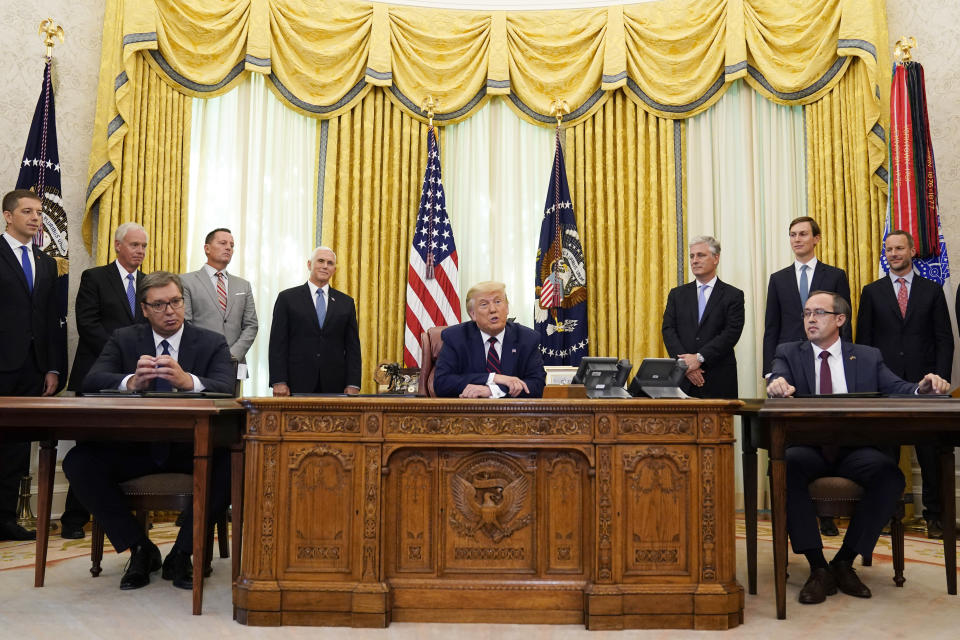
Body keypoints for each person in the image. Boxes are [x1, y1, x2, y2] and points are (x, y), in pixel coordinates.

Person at [767, 290, 949, 605]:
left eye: (819, 313)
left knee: (889, 476)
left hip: (854, 450)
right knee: (786, 465)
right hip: (809, 448)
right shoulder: (788, 353)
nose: (810, 319)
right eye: (807, 313)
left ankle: (844, 559)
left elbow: (898, 388)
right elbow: (778, 379)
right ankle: (817, 566)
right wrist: (777, 385)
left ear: (840, 319)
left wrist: (922, 388)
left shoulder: (867, 356)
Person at [63, 271, 234, 591]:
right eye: (159, 305)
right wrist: (130, 383)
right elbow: (91, 381)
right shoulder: (124, 339)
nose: (170, 311)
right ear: (144, 309)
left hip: (190, 449)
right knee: (79, 462)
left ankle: (183, 552)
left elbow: (226, 387)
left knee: (232, 464)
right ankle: (140, 548)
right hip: (135, 448)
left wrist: (190, 383)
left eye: (175, 302)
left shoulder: (211, 342)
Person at [856, 230, 954, 539]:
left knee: (930, 456)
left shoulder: (932, 290)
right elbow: (864, 344)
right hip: (885, 389)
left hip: (925, 388)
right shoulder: (871, 292)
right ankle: (886, 514)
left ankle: (935, 517)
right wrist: (868, 384)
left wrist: (939, 379)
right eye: (890, 249)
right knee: (885, 456)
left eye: (900, 248)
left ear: (912, 250)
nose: (895, 253)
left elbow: (944, 340)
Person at [62, 221, 149, 539]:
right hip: (97, 376)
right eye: (134, 245)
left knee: (127, 445)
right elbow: (87, 324)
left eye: (143, 246)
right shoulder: (95, 277)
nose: (139, 251)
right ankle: (73, 520)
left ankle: (128, 515)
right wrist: (123, 355)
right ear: (117, 245)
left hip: (136, 381)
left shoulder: (150, 284)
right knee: (89, 447)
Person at [0, 189, 63, 542]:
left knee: (17, 447)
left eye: (39, 212)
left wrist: (52, 367)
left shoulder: (46, 262)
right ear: (8, 216)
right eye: (27, 211)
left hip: (31, 366)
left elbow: (51, 318)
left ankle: (5, 518)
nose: (36, 218)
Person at [763, 216, 851, 377]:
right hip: (788, 358)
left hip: (827, 355)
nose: (797, 239)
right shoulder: (778, 279)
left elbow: (845, 323)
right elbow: (771, 326)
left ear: (816, 238)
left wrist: (847, 358)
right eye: (792, 235)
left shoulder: (835, 276)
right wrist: (770, 370)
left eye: (803, 234)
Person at [269, 246, 361, 395]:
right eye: (320, 261)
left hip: (335, 384)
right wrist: (278, 381)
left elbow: (353, 348)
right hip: (296, 383)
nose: (325, 266)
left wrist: (353, 383)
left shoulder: (346, 303)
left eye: (330, 263)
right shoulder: (287, 298)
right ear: (309, 264)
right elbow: (277, 344)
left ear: (334, 270)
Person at [661, 236, 744, 399]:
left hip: (718, 377)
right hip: (683, 380)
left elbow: (731, 333)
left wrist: (699, 358)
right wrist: (686, 365)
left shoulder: (733, 295)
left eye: (701, 255)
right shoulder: (677, 295)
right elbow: (668, 330)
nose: (695, 260)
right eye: (692, 256)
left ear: (716, 258)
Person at [433, 281, 545, 398]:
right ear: (473, 314)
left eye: (498, 302)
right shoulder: (455, 337)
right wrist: (494, 378)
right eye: (484, 304)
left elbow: (537, 385)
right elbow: (442, 383)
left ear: (506, 308)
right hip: (469, 413)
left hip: (512, 413)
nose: (493, 309)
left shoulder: (527, 338)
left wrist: (493, 390)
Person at [181, 228, 258, 370]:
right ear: (207, 248)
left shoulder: (243, 285)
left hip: (234, 364)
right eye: (223, 243)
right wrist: (208, 355)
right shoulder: (185, 281)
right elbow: (185, 323)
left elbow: (251, 325)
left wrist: (232, 355)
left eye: (232, 245)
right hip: (199, 362)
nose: (228, 247)